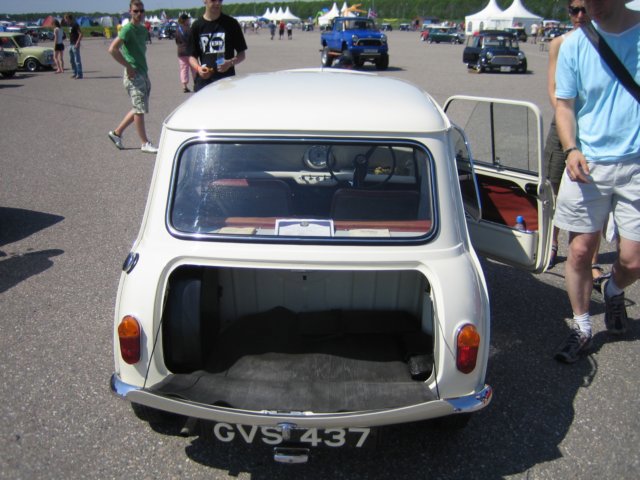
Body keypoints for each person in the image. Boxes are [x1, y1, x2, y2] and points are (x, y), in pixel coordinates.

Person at [553, 0, 640, 363]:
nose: (591, 7)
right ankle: (582, 326)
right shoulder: (574, 44)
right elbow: (564, 105)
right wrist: (571, 148)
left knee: (633, 260)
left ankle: (614, 288)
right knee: (579, 251)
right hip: (587, 163)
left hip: (636, 163)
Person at [544, 0, 604, 277]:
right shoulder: (560, 43)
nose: (579, 15)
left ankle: (591, 258)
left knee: (596, 193)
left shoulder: (605, 41)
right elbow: (553, 89)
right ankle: (551, 243)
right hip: (564, 126)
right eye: (574, 10)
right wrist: (567, 122)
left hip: (595, 129)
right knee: (553, 186)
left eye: (584, 9)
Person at [107, 1, 158, 154]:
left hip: (143, 72)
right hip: (133, 75)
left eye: (141, 11)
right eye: (135, 11)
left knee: (138, 108)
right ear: (130, 11)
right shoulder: (127, 29)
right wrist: (128, 66)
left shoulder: (142, 29)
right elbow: (113, 49)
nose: (139, 14)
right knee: (139, 109)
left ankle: (116, 133)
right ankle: (144, 142)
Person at [187, 0, 247, 93]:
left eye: (220, 0)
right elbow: (191, 56)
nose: (217, 3)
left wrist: (230, 63)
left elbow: (242, 54)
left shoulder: (231, 23)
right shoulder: (197, 26)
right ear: (205, 1)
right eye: (213, 0)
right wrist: (199, 69)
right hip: (204, 84)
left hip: (227, 83)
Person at [175, 14, 195, 93]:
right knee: (193, 68)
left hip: (181, 51)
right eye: (188, 20)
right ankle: (195, 83)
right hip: (190, 51)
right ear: (186, 20)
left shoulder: (178, 29)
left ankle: (184, 86)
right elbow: (193, 40)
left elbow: (177, 41)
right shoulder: (189, 29)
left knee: (183, 69)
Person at [65, 14, 83, 79]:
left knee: (77, 60)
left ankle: (79, 74)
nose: (65, 20)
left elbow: (80, 34)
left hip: (75, 44)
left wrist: (77, 42)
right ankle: (74, 73)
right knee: (71, 60)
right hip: (71, 44)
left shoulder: (75, 25)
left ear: (69, 18)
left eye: (66, 19)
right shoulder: (69, 25)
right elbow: (71, 34)